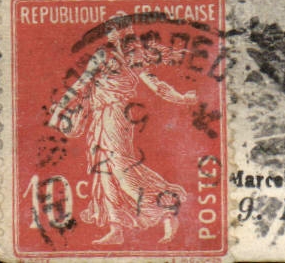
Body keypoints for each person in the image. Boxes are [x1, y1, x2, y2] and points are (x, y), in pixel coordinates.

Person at [49, 24, 194, 244]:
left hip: (117, 117)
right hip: (98, 117)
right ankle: (116, 229)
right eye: (110, 30)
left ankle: (165, 210)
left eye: (119, 30)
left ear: (127, 34)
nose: (113, 34)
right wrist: (60, 108)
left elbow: (157, 86)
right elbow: (81, 83)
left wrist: (181, 98)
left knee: (122, 172)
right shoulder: (102, 55)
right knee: (103, 172)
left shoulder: (134, 59)